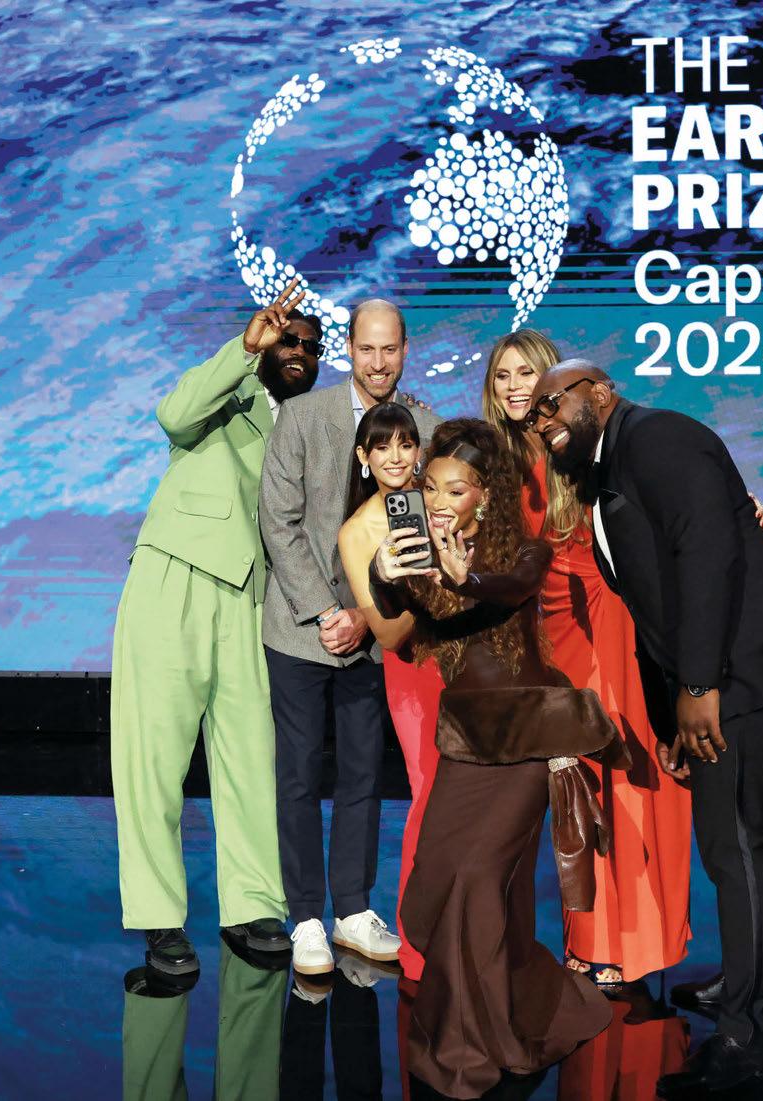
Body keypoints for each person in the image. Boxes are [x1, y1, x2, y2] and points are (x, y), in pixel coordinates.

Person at [527, 361, 763, 1095]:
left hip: (752, 661)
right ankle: (759, 973)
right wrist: (674, 707)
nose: (542, 422)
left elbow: (707, 559)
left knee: (736, 838)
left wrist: (699, 687)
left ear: (599, 392)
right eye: (534, 416)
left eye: (551, 404)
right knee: (735, 834)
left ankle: (745, 1030)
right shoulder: (608, 468)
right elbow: (652, 604)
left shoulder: (658, 438)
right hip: (721, 670)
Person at [369, 419, 619, 1099]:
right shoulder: (418, 552)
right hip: (467, 744)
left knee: (478, 882)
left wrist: (466, 574)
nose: (439, 500)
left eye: (456, 489)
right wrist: (382, 576)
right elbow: (393, 627)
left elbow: (508, 586)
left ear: (485, 495)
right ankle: (521, 1002)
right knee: (429, 891)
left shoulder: (524, 552)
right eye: (431, 487)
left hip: (528, 742)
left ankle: (468, 1050)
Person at [111, 278, 320, 975]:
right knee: (152, 757)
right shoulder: (228, 393)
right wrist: (243, 348)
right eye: (288, 339)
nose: (297, 350)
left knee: (251, 757)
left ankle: (252, 904)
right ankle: (159, 916)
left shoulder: (311, 426)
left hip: (253, 599)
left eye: (310, 345)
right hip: (175, 576)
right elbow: (172, 415)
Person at [483, 329, 694, 989]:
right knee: (576, 789)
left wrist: (732, 507)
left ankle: (639, 940)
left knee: (627, 774)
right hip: (544, 634)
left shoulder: (578, 442)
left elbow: (658, 494)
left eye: (526, 373)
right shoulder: (491, 460)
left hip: (606, 616)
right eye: (502, 376)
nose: (515, 387)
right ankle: (595, 936)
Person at [258, 298, 441, 978]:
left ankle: (353, 909)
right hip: (299, 630)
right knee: (299, 774)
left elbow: (424, 535)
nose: (378, 361)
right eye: (367, 348)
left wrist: (364, 615)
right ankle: (306, 914)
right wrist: (324, 610)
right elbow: (279, 521)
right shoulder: (303, 417)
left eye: (390, 348)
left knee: (363, 774)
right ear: (349, 350)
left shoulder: (426, 428)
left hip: (373, 633)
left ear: (404, 350)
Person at [336, 402, 445, 982]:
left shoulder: (442, 502)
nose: (396, 457)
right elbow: (387, 633)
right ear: (364, 457)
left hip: (466, 659)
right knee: (429, 792)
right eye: (382, 447)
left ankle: (474, 933)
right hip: (413, 671)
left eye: (406, 444)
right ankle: (420, 941)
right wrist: (400, 579)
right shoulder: (357, 532)